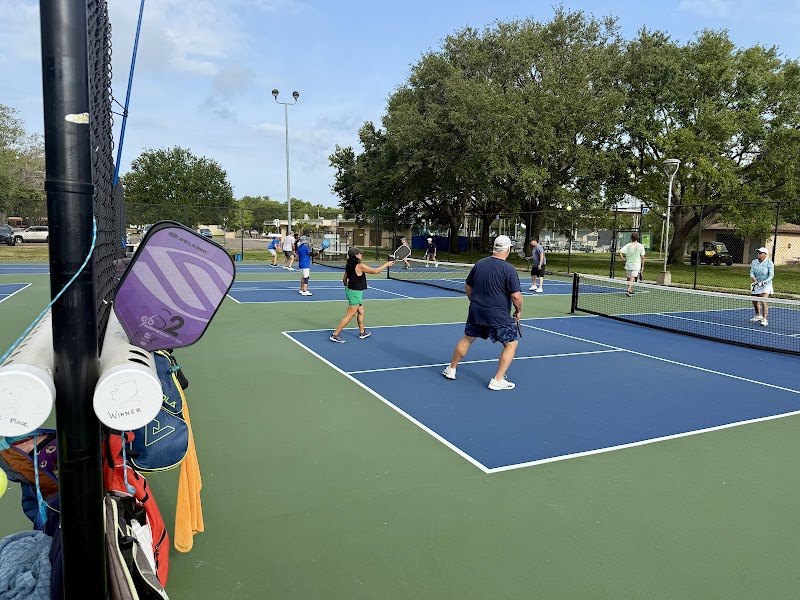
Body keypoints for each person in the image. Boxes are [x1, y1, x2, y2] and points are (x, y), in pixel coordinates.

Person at [442, 235, 523, 391]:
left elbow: (468, 286)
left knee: (467, 339)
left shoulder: (479, 264)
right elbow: (516, 296)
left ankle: (451, 369)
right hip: (498, 315)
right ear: (507, 249)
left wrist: (474, 302)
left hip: (477, 311)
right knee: (511, 344)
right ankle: (497, 380)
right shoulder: (509, 269)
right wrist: (518, 311)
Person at [329, 248, 394, 342]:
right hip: (355, 292)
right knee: (350, 315)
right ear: (356, 255)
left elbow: (344, 279)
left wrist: (349, 288)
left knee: (361, 311)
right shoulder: (360, 266)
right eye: (360, 253)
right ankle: (335, 334)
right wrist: (386, 264)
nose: (361, 255)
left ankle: (362, 332)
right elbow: (375, 271)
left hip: (352, 291)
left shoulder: (349, 265)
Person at [749, 246, 774, 327]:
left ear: (765, 255)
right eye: (758, 253)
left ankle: (764, 319)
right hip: (757, 284)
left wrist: (764, 282)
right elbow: (752, 272)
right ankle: (758, 315)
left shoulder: (769, 263)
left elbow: (771, 275)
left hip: (766, 284)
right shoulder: (754, 262)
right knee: (754, 300)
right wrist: (752, 277)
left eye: (760, 253)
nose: (758, 254)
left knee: (763, 301)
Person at [619, 232, 646, 297]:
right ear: (638, 238)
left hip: (629, 264)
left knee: (630, 277)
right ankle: (629, 289)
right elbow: (643, 257)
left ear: (631, 238)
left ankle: (630, 290)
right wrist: (642, 267)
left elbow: (620, 251)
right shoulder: (641, 246)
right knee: (631, 277)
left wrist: (623, 259)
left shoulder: (628, 245)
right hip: (636, 265)